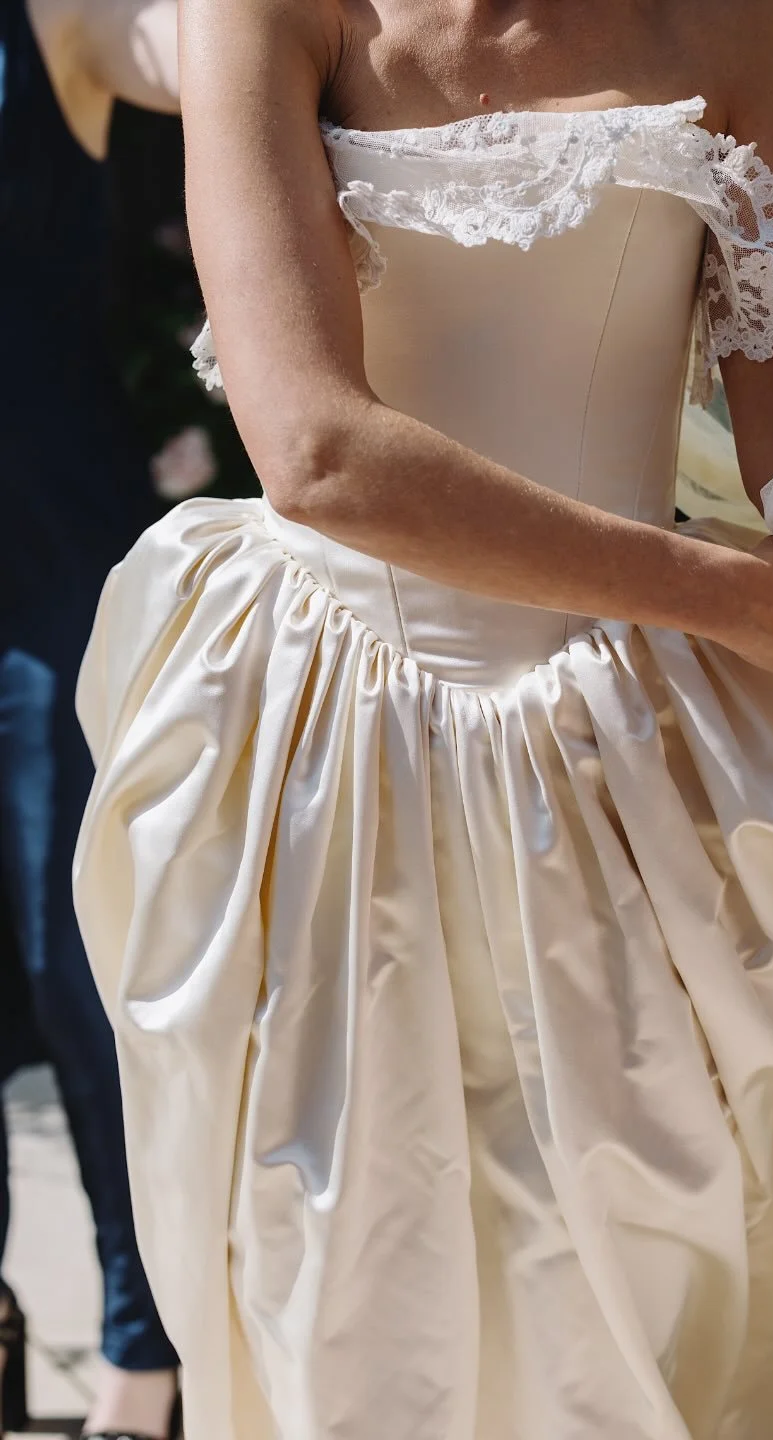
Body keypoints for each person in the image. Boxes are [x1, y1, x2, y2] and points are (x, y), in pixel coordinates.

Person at [73, 0, 773, 1435]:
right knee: (368, 1303)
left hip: (631, 757)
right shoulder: (269, 13)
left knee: (673, 1268)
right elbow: (317, 452)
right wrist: (710, 593)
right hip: (338, 750)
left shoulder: (733, 24)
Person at [0, 0, 182, 1435]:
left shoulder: (56, 17)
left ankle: (145, 1358)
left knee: (92, 965)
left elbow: (233, 50)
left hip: (53, 560)